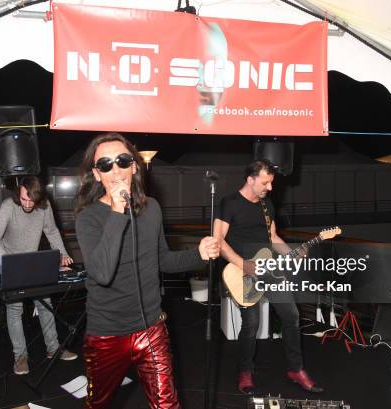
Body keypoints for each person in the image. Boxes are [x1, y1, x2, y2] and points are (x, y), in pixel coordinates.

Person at [74, 133, 219, 409]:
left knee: (167, 405)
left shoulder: (152, 208)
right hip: (107, 334)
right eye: (105, 164)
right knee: (98, 404)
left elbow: (162, 260)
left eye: (122, 160)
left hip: (151, 328)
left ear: (134, 166)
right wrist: (118, 211)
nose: (115, 169)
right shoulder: (88, 217)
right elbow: (102, 273)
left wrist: (198, 255)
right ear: (96, 174)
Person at [213, 160, 324, 394]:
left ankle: (296, 369)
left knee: (291, 316)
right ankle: (245, 371)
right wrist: (243, 264)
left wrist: (293, 253)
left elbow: (273, 237)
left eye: (271, 182)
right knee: (251, 323)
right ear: (250, 179)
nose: (270, 187)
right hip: (241, 271)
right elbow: (219, 241)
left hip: (270, 269)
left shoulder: (267, 205)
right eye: (265, 182)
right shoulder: (228, 203)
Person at [0, 175, 77, 375]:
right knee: (15, 310)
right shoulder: (9, 206)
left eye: (31, 200)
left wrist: (63, 254)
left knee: (45, 305)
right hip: (8, 262)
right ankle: (20, 357)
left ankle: (53, 349)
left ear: (38, 197)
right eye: (23, 199)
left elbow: (52, 232)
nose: (27, 204)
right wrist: (9, 264)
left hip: (33, 262)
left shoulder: (44, 207)